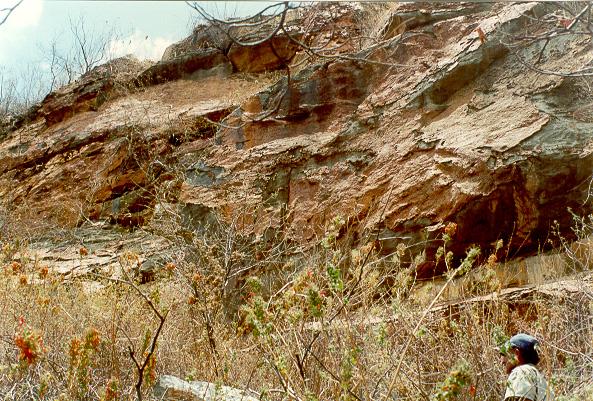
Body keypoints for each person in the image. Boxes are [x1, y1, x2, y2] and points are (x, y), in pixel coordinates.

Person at [500, 333, 554, 401]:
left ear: (517, 353)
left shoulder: (521, 372)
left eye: (504, 354)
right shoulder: (542, 381)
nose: (502, 361)